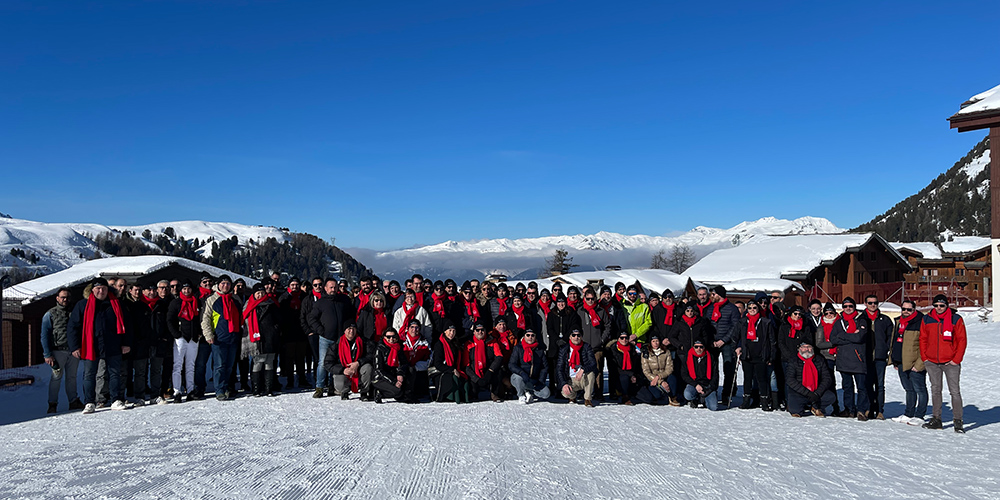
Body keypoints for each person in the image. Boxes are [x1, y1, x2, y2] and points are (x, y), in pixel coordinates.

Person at [67, 278, 132, 413]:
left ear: (108, 290)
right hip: (90, 345)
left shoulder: (116, 303)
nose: (101, 291)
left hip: (113, 344)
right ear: (92, 290)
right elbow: (73, 327)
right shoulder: (83, 305)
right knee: (89, 375)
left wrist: (126, 343)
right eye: (98, 288)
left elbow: (127, 324)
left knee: (115, 374)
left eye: (103, 288)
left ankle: (116, 400)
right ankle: (89, 402)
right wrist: (74, 346)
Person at [920, 295, 968, 433]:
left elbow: (962, 340)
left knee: (954, 392)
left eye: (941, 305)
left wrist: (956, 359)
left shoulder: (955, 319)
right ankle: (937, 419)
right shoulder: (927, 318)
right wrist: (925, 357)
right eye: (936, 305)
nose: (938, 308)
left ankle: (958, 420)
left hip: (950, 362)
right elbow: (923, 338)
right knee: (936, 390)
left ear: (946, 306)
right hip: (932, 361)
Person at [307, 278, 354, 398]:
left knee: (339, 362)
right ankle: (319, 387)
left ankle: (334, 387)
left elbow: (350, 315)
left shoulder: (344, 300)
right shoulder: (320, 303)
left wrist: (348, 328)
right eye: (331, 287)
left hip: (341, 338)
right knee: (323, 363)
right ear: (325, 288)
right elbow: (311, 318)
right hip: (326, 338)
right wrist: (320, 330)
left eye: (335, 287)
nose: (333, 289)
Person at [201, 275, 244, 401]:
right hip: (219, 338)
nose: (225, 286)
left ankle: (227, 388)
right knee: (219, 366)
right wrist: (208, 335)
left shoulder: (235, 299)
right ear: (218, 285)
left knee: (230, 366)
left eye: (228, 283)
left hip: (233, 337)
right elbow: (206, 319)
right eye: (223, 283)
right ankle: (219, 390)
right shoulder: (212, 299)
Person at [41, 288, 84, 413]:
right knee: (56, 377)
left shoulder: (75, 312)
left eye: (67, 297)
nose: (65, 300)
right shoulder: (50, 314)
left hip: (73, 351)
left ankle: (73, 401)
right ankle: (52, 403)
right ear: (57, 298)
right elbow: (45, 335)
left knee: (72, 377)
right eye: (63, 297)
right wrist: (47, 354)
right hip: (57, 351)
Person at [829, 297, 870, 421]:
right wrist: (851, 337)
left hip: (858, 358)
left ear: (854, 307)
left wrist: (842, 335)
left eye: (850, 306)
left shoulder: (861, 320)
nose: (848, 308)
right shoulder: (838, 322)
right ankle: (849, 409)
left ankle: (861, 410)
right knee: (847, 387)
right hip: (843, 359)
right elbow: (833, 339)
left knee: (862, 387)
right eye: (845, 306)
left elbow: (859, 338)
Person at [891, 300, 928, 426]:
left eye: (909, 309)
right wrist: (895, 360)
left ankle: (920, 415)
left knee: (920, 389)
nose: (906, 311)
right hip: (901, 361)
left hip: (915, 363)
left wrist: (919, 364)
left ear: (914, 310)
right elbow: (895, 341)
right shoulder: (899, 321)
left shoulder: (920, 322)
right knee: (909, 389)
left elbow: (926, 345)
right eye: (904, 309)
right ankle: (909, 414)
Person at [735, 301, 776, 411]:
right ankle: (746, 401)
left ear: (758, 309)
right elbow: (735, 337)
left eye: (754, 308)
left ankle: (764, 402)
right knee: (747, 378)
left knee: (762, 379)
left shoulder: (765, 322)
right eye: (750, 308)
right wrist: (737, 348)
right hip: (747, 354)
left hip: (761, 355)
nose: (752, 310)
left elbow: (772, 341)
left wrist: (771, 356)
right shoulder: (742, 322)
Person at [668, 302, 712, 403]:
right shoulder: (680, 322)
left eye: (692, 311)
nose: (690, 313)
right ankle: (682, 394)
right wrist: (680, 345)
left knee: (696, 372)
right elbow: (672, 336)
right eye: (687, 311)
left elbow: (705, 335)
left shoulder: (699, 322)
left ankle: (695, 393)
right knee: (682, 374)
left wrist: (702, 345)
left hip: (697, 352)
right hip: (683, 352)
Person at [244, 283, 282, 397]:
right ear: (254, 294)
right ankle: (256, 388)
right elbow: (244, 319)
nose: (260, 295)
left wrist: (275, 330)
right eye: (258, 293)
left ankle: (268, 389)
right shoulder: (249, 304)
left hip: (270, 337)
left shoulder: (271, 304)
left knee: (269, 363)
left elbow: (279, 319)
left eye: (262, 292)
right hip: (255, 338)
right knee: (257, 362)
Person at [167, 281, 201, 403]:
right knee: (177, 365)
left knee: (190, 366)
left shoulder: (196, 302)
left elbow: (199, 319)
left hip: (193, 338)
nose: (187, 291)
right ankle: (177, 391)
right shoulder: (176, 303)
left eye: (189, 288)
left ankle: (190, 390)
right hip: (180, 338)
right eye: (184, 289)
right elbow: (169, 320)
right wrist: (176, 334)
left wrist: (199, 333)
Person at [707, 285, 740, 406]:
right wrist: (711, 340)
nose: (711, 296)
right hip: (713, 342)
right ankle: (713, 392)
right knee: (712, 369)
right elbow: (707, 324)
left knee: (729, 369)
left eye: (713, 294)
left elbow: (735, 326)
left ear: (719, 295)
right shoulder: (711, 308)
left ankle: (726, 394)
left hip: (727, 343)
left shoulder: (732, 309)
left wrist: (724, 340)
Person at [861, 294, 893, 420]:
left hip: (880, 357)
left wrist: (886, 349)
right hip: (866, 357)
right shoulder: (861, 319)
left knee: (880, 385)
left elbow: (890, 337)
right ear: (865, 304)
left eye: (875, 303)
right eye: (870, 303)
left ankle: (879, 410)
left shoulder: (885, 320)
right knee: (867, 384)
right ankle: (868, 408)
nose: (873, 305)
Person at [785, 342, 837, 417]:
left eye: (809, 347)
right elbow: (790, 380)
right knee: (795, 411)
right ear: (799, 349)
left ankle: (816, 407)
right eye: (804, 347)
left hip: (816, 391)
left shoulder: (819, 359)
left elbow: (827, 378)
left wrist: (817, 393)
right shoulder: (793, 360)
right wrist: (808, 393)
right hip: (800, 392)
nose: (806, 349)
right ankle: (803, 406)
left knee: (830, 397)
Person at [324, 324, 373, 400]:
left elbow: (371, 355)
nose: (351, 331)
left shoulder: (363, 341)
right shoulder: (336, 344)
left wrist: (358, 363)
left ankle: (364, 391)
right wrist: (343, 370)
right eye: (349, 328)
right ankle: (344, 391)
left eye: (354, 328)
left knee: (368, 368)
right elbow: (328, 363)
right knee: (338, 380)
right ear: (344, 330)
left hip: (359, 369)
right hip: (344, 370)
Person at [278, 277, 310, 389]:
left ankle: (302, 379)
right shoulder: (284, 297)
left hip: (301, 332)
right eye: (292, 285)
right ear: (289, 286)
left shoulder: (304, 297)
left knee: (301, 358)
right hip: (288, 332)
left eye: (297, 285)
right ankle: (290, 380)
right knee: (289, 358)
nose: (295, 287)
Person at [577, 289, 610, 398]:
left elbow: (608, 325)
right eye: (588, 299)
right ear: (584, 298)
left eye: (592, 299)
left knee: (598, 370)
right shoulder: (580, 311)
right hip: (584, 346)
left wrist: (602, 339)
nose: (590, 301)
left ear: (595, 298)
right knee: (583, 369)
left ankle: (598, 393)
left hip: (597, 345)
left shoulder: (600, 311)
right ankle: (584, 392)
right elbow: (576, 326)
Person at [545, 295, 581, 394]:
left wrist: (565, 339)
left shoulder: (571, 313)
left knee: (564, 366)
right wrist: (557, 340)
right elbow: (549, 328)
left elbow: (573, 326)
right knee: (554, 366)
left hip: (567, 342)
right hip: (554, 343)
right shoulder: (551, 314)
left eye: (563, 302)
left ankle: (564, 387)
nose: (561, 304)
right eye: (559, 302)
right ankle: (553, 386)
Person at [813, 302, 843, 416]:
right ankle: (834, 406)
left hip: (841, 355)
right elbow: (819, 344)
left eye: (831, 313)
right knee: (830, 381)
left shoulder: (840, 323)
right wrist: (834, 343)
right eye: (827, 313)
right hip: (827, 356)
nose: (829, 315)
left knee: (846, 382)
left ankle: (846, 407)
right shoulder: (821, 325)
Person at [555, 328, 599, 406]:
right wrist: (563, 384)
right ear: (570, 337)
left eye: (578, 335)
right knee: (565, 392)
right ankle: (572, 397)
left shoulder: (586, 347)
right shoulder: (564, 349)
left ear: (581, 337)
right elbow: (559, 368)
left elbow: (593, 364)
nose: (576, 337)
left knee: (591, 374)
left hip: (583, 378)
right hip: (570, 379)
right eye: (573, 335)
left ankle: (588, 399)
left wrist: (583, 369)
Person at [464, 323, 505, 402]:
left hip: (489, 370)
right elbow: (466, 365)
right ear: (474, 332)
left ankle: (494, 393)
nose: (480, 332)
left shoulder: (492, 342)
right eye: (477, 330)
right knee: (473, 391)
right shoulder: (469, 344)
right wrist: (476, 378)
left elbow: (499, 357)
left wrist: (490, 371)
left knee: (499, 371)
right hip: (475, 372)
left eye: (482, 330)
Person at [432, 322, 471, 403]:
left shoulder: (456, 343)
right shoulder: (439, 344)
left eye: (453, 331)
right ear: (445, 331)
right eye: (449, 330)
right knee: (453, 378)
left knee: (465, 379)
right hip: (441, 371)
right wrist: (452, 370)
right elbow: (437, 364)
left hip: (454, 369)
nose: (452, 333)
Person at [508, 328, 549, 403]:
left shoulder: (539, 350)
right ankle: (521, 395)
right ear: (524, 336)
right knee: (517, 378)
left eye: (532, 335)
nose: (530, 337)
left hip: (533, 379)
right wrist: (521, 373)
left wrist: (541, 380)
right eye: (528, 335)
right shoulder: (518, 348)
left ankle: (529, 392)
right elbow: (511, 364)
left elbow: (544, 367)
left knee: (546, 393)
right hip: (521, 377)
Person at [635, 335, 676, 406]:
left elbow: (669, 368)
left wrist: (659, 377)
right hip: (652, 379)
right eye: (653, 341)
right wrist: (660, 381)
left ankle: (673, 397)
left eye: (657, 341)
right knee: (657, 395)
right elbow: (646, 371)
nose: (655, 343)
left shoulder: (666, 352)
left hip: (664, 375)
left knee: (673, 379)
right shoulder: (646, 353)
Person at [372, 328, 411, 403]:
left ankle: (407, 394)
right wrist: (393, 381)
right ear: (384, 337)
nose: (391, 339)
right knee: (398, 391)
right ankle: (380, 393)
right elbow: (379, 370)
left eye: (393, 336)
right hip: (380, 378)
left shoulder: (399, 347)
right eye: (388, 337)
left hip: (394, 375)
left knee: (405, 387)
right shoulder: (379, 349)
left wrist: (400, 373)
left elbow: (404, 363)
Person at [682, 340, 719, 411]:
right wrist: (695, 385)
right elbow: (684, 374)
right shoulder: (688, 356)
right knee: (688, 394)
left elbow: (715, 375)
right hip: (694, 383)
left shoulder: (710, 357)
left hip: (707, 385)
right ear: (693, 347)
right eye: (696, 347)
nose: (698, 349)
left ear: (704, 347)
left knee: (713, 407)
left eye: (701, 347)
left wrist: (710, 388)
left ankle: (704, 399)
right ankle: (696, 399)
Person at [402, 319, 432, 400]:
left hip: (418, 371)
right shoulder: (401, 340)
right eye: (412, 327)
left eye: (416, 327)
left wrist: (418, 366)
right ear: (408, 328)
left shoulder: (424, 342)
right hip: (403, 370)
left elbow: (429, 359)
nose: (414, 330)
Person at [608, 331, 639, 405]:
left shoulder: (632, 349)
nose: (624, 340)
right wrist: (630, 374)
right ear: (618, 339)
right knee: (624, 377)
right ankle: (624, 396)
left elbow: (636, 365)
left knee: (646, 397)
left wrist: (634, 375)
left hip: (632, 376)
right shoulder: (613, 350)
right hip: (619, 377)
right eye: (622, 338)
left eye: (626, 338)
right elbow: (614, 369)